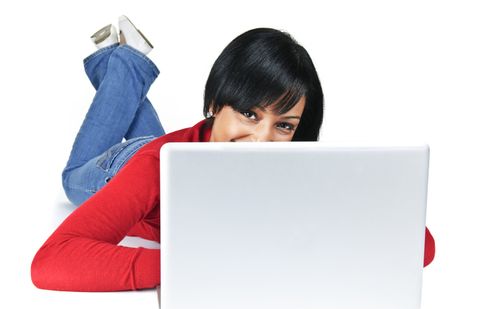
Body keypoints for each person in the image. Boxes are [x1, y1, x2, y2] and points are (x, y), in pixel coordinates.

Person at [31, 16, 435, 292]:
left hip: (188, 142)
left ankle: (128, 78)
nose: (261, 140)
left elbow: (420, 245)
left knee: (153, 139)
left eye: (284, 125)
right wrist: (190, 267)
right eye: (249, 112)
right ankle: (122, 64)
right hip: (117, 169)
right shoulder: (154, 167)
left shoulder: (292, 166)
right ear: (213, 103)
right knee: (71, 178)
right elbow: (51, 261)